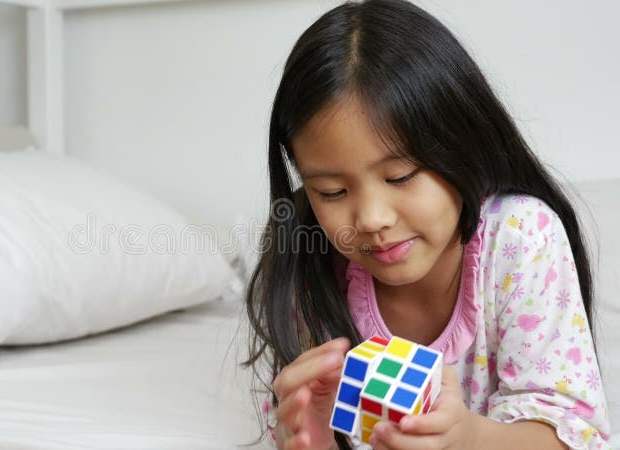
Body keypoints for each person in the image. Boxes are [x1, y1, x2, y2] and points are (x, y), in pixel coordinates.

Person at [243, 1, 611, 449]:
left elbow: (574, 435)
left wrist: (467, 437)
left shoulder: (521, 238)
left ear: (462, 148)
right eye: (332, 192)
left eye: (400, 176)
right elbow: (306, 423)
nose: (372, 219)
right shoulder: (305, 257)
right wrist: (311, 439)